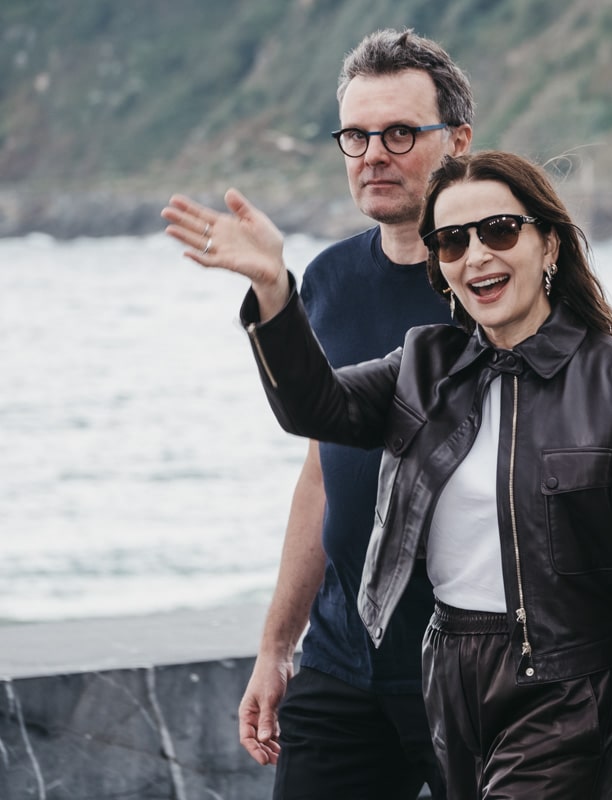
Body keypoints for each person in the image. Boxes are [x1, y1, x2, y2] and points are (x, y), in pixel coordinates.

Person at [162, 150, 612, 799]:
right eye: (452, 241)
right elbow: (313, 407)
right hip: (448, 682)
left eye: (500, 231)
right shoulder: (425, 364)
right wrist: (274, 289)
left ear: (549, 244)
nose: (476, 256)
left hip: (567, 691)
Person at [231, 28, 471, 800]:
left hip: (476, 665)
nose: (373, 154)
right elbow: (321, 472)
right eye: (357, 135)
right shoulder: (329, 278)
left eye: (400, 132)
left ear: (457, 141)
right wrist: (277, 645)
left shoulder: (497, 282)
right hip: (344, 660)